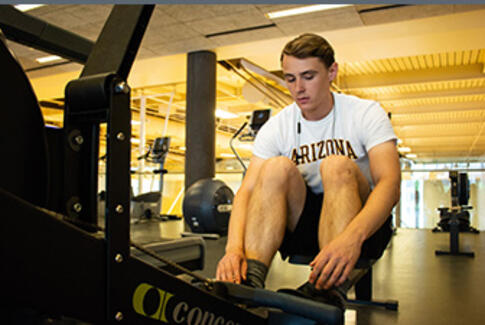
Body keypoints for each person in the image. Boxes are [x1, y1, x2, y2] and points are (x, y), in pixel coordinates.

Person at [216, 33, 401, 307]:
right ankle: (249, 285)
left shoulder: (365, 113)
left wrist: (352, 238)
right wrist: (233, 250)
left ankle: (326, 288)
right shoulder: (277, 126)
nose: (298, 88)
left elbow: (389, 183)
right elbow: (247, 192)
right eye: (291, 78)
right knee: (275, 167)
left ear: (332, 72)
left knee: (336, 165)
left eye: (309, 76)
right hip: (304, 225)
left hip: (363, 227)